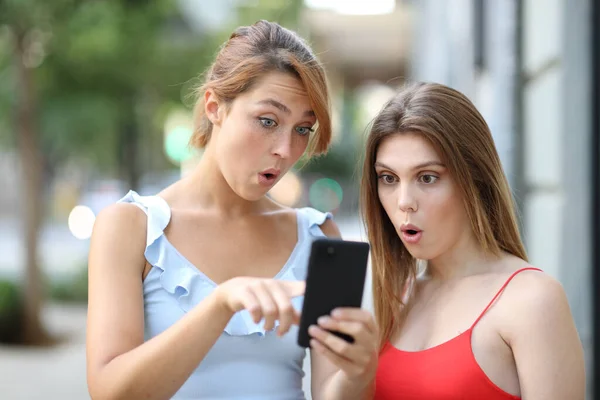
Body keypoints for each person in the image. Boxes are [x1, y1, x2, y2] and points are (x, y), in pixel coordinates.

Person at [86, 20, 378, 400]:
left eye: (302, 130)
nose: (285, 150)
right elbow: (110, 392)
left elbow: (330, 394)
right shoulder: (131, 227)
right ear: (214, 106)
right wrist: (221, 304)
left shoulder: (321, 237)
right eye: (268, 121)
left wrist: (359, 374)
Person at [360, 82, 585, 399]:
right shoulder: (398, 298)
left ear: (474, 178)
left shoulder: (532, 300)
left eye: (427, 177)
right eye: (389, 178)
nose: (404, 201)